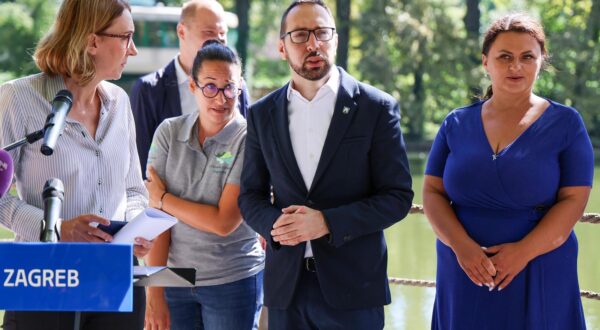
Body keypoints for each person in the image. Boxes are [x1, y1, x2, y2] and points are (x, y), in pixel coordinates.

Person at [238, 1, 414, 329]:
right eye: (301, 35)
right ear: (282, 47)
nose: (313, 44)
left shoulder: (376, 107)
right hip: (286, 293)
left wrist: (327, 223)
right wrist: (277, 226)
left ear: (335, 39)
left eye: (322, 32)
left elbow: (397, 197)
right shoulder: (261, 114)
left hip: (355, 291)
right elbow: (250, 196)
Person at [423, 13, 592, 330]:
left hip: (539, 266)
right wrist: (463, 248)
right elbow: (432, 193)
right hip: (463, 268)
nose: (516, 66)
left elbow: (573, 201)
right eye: (505, 57)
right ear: (486, 62)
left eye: (527, 56)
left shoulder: (567, 124)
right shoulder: (455, 123)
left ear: (541, 61)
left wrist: (521, 254)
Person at [0, 0, 154, 329]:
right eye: (126, 37)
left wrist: (135, 224)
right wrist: (57, 229)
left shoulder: (120, 102)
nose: (134, 50)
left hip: (113, 278)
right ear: (91, 41)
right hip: (42, 278)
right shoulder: (19, 98)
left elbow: (132, 188)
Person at [143, 41, 264, 330]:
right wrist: (154, 291)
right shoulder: (168, 132)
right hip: (175, 278)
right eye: (210, 87)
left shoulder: (250, 140)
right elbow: (157, 221)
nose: (220, 99)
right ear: (193, 87)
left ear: (240, 88)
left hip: (232, 281)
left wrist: (163, 199)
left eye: (229, 88)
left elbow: (223, 222)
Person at [130, 0, 250, 178]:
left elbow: (247, 149)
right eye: (209, 33)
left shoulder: (236, 86)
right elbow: (141, 167)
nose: (217, 41)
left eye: (222, 34)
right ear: (181, 31)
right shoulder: (148, 90)